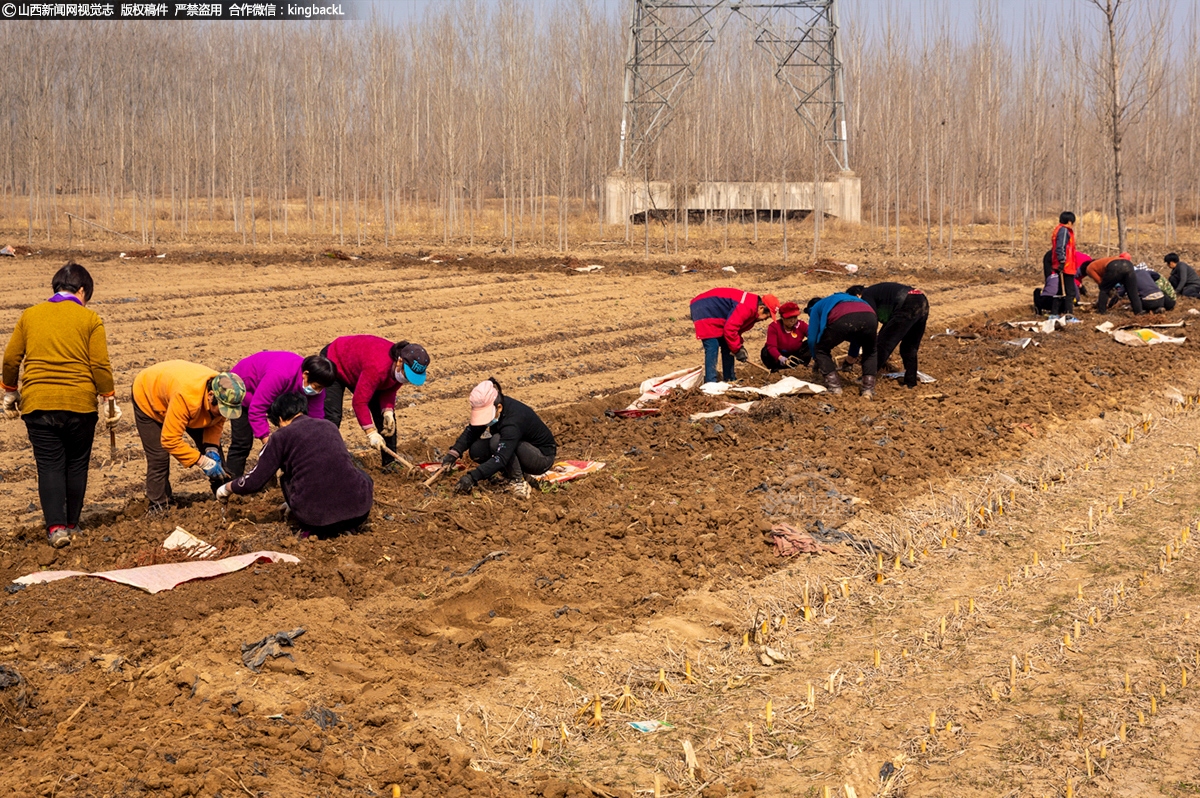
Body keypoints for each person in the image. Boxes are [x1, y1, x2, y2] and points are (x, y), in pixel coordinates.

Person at [1, 263, 119, 549]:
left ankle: (56, 528)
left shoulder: (29, 315)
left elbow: (10, 359)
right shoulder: (90, 319)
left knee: (50, 465)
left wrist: (10, 392)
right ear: (81, 291)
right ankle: (72, 524)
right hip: (80, 404)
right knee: (77, 464)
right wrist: (109, 398)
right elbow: (100, 365)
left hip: (38, 404)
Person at [218, 392, 373, 538]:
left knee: (285, 478)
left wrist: (226, 488)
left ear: (280, 419)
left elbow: (254, 481)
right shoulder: (329, 425)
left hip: (316, 520)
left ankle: (313, 522)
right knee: (357, 473)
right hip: (360, 512)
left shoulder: (281, 435)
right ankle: (345, 525)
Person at [131, 361, 246, 512]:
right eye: (223, 410)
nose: (225, 414)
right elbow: (170, 440)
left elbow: (216, 423)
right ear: (210, 396)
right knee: (159, 457)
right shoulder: (186, 397)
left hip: (185, 397)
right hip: (149, 396)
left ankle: (225, 495)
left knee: (215, 454)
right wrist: (202, 461)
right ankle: (159, 506)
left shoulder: (226, 393)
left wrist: (211, 449)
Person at [321, 336, 429, 468]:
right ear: (399, 362)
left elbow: (389, 389)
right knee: (333, 416)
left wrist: (388, 411)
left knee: (385, 421)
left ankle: (390, 463)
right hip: (335, 360)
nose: (407, 379)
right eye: (408, 375)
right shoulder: (377, 367)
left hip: (358, 369)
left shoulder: (399, 370)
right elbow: (359, 402)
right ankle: (322, 461)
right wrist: (371, 433)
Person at [227, 352, 337, 477]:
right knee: (242, 443)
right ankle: (230, 484)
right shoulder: (281, 375)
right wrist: (270, 446)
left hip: (276, 393)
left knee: (293, 428)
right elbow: (257, 409)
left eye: (321, 388)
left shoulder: (317, 385)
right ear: (305, 374)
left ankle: (275, 474)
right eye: (316, 387)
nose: (318, 391)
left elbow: (315, 419)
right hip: (242, 387)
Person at [446, 378, 556, 499]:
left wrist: (472, 477)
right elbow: (473, 430)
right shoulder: (496, 410)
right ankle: (516, 473)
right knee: (476, 450)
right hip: (517, 447)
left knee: (496, 441)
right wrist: (454, 453)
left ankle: (518, 481)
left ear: (499, 408)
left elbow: (502, 457)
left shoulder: (513, 420)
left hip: (541, 458)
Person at [843, 283, 929, 388]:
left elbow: (869, 322)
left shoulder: (865, 296)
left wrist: (857, 352)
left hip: (907, 303)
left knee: (883, 345)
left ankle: (867, 377)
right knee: (909, 347)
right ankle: (910, 382)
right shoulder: (877, 293)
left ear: (857, 296)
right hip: (921, 300)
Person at [689, 288, 780, 384]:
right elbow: (730, 329)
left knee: (728, 345)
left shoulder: (752, 310)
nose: (766, 319)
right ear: (761, 308)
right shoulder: (746, 307)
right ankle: (710, 382)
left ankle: (729, 379)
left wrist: (739, 346)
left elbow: (736, 330)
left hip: (715, 311)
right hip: (705, 308)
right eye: (768, 316)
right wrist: (737, 349)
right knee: (712, 346)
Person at [803, 293, 878, 398]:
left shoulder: (816, 307)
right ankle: (868, 390)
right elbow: (856, 337)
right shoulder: (839, 299)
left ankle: (835, 388)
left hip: (843, 317)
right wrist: (850, 360)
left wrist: (817, 358)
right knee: (870, 351)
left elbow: (811, 339)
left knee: (821, 349)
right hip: (869, 315)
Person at [1036, 251, 1092, 315]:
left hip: (1061, 258)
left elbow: (1076, 277)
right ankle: (1055, 311)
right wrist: (1080, 287)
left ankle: (1046, 309)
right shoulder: (1078, 266)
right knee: (1057, 285)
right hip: (1055, 257)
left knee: (1051, 282)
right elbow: (1072, 278)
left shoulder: (1086, 265)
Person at [760, 301, 809, 371]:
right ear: (782, 318)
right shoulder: (774, 327)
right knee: (766, 351)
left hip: (796, 355)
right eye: (789, 318)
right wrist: (780, 358)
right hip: (779, 355)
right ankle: (775, 369)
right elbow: (771, 346)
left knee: (810, 343)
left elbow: (812, 336)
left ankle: (802, 366)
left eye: (795, 317)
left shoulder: (801, 325)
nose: (793, 320)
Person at [1048, 211, 1079, 314]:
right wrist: (1062, 261)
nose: (1073, 225)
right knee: (1070, 291)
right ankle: (1069, 314)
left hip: (1060, 264)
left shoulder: (1057, 230)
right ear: (1069, 222)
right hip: (1066, 265)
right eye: (1073, 223)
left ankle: (1054, 313)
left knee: (1061, 290)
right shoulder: (1064, 231)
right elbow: (1060, 246)